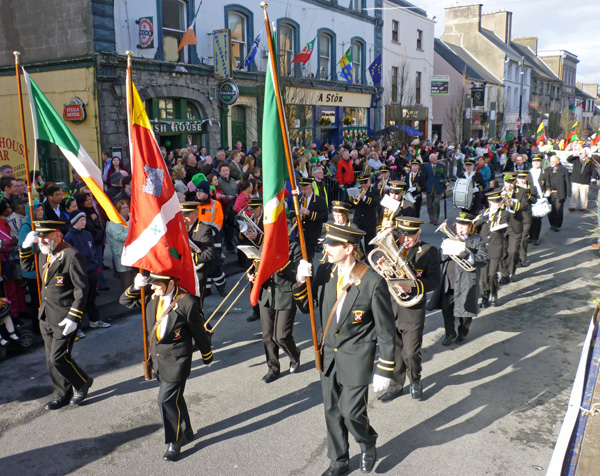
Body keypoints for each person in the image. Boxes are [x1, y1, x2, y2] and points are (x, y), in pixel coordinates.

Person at [294, 223, 396, 476]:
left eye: (332, 244)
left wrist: (385, 368)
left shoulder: (372, 281)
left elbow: (385, 330)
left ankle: (367, 441)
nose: (326, 248)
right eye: (326, 244)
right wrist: (299, 282)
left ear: (349, 248)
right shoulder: (325, 272)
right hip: (328, 356)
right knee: (331, 411)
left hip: (356, 358)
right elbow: (308, 307)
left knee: (351, 412)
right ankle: (338, 462)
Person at [120, 272, 213, 461]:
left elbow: (199, 331)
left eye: (156, 284)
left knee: (165, 400)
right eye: (151, 284)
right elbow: (125, 302)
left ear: (170, 283)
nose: (152, 287)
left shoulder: (187, 302)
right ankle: (187, 431)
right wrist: (136, 288)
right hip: (158, 359)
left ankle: (175, 440)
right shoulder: (150, 296)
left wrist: (206, 353)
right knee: (175, 398)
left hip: (177, 360)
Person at [20, 220, 93, 410]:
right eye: (40, 236)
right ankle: (62, 393)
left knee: (58, 357)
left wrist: (74, 316)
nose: (42, 240)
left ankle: (83, 382)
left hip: (64, 316)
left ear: (58, 234)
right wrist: (25, 247)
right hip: (46, 315)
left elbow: (82, 289)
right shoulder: (45, 254)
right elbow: (28, 268)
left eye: (46, 236)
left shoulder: (71, 255)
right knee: (50, 360)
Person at [377, 217, 441, 403]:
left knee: (411, 352)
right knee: (395, 351)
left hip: (412, 309)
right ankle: (396, 387)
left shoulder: (428, 251)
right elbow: (382, 278)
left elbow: (435, 280)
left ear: (418, 234)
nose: (406, 239)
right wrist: (381, 269)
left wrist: (411, 287)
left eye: (410, 235)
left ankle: (415, 379)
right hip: (391, 307)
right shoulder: (391, 250)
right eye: (403, 234)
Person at [428, 213, 489, 345]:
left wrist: (468, 256)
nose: (460, 229)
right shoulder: (448, 238)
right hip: (449, 280)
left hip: (466, 280)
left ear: (470, 227)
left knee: (465, 311)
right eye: (458, 225)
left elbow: (484, 259)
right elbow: (439, 258)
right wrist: (445, 252)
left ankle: (463, 331)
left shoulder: (477, 240)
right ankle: (449, 333)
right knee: (446, 309)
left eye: (464, 226)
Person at [249, 236, 302, 383]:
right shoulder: (265, 245)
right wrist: (254, 275)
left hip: (285, 294)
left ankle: (294, 355)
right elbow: (258, 266)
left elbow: (296, 274)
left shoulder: (294, 247)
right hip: (267, 294)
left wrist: (279, 258)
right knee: (267, 336)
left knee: (282, 336)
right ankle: (273, 368)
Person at [64, 212, 110, 329]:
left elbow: (93, 250)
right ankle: (76, 326)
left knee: (91, 297)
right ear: (74, 222)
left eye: (84, 220)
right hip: (79, 273)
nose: (84, 222)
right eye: (81, 220)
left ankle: (94, 320)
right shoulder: (69, 237)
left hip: (92, 270)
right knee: (79, 299)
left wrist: (95, 264)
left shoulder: (88, 234)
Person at [474, 191, 510, 307]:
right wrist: (480, 219)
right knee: (484, 276)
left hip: (496, 247)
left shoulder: (504, 213)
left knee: (492, 274)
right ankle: (485, 297)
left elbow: (502, 226)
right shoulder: (483, 212)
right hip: (484, 248)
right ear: (490, 202)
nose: (497, 203)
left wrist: (488, 220)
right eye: (495, 202)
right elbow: (475, 226)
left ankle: (494, 293)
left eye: (499, 201)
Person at [195, 181, 226, 297]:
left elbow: (219, 221)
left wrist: (208, 233)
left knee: (215, 266)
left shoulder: (215, 204)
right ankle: (206, 289)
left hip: (214, 239)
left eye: (201, 191)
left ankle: (221, 286)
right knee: (204, 266)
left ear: (207, 192)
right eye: (197, 192)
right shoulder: (195, 206)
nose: (198, 194)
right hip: (200, 241)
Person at [180, 202, 214, 301]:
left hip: (197, 271)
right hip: (182, 271)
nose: (184, 218)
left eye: (186, 215)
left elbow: (209, 254)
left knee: (195, 302)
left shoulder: (204, 229)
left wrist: (190, 257)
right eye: (182, 215)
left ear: (195, 213)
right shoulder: (180, 228)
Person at [297, 177, 328, 262]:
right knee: (299, 260)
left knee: (308, 260)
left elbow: (324, 217)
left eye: (305, 189)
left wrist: (309, 213)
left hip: (312, 235)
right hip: (299, 235)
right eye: (302, 189)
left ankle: (310, 276)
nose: (303, 192)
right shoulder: (298, 199)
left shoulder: (319, 200)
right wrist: (296, 218)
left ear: (311, 188)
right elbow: (292, 215)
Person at [106, 200, 135, 291]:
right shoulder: (115, 221)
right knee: (126, 277)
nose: (126, 209)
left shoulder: (132, 217)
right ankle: (126, 297)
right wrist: (133, 235)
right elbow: (118, 236)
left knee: (134, 276)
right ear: (118, 210)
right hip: (121, 251)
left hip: (132, 250)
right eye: (123, 208)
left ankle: (134, 295)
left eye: (127, 207)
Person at [352, 174, 381, 254]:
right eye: (361, 183)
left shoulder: (375, 191)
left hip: (369, 222)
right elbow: (352, 204)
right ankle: (361, 256)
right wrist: (352, 197)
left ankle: (368, 261)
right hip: (358, 221)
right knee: (356, 242)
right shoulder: (357, 190)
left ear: (369, 181)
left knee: (369, 246)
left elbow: (376, 202)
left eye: (365, 182)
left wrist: (364, 197)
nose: (363, 185)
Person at [542, 154, 570, 232]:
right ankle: (552, 224)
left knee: (558, 209)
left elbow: (567, 182)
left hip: (559, 193)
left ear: (558, 162)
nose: (552, 162)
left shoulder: (563, 170)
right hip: (549, 193)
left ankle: (557, 225)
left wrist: (568, 193)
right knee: (550, 209)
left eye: (553, 161)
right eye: (551, 161)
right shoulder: (547, 170)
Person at [423, 153, 446, 225]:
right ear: (430, 160)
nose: (436, 159)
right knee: (429, 204)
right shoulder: (426, 166)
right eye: (434, 158)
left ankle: (436, 218)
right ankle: (431, 218)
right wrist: (423, 188)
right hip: (429, 187)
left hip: (438, 187)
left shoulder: (441, 166)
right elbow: (424, 177)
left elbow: (443, 177)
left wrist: (445, 187)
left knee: (436, 203)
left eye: (436, 158)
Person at [528, 155, 545, 246]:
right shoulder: (528, 173)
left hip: (539, 198)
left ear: (541, 162)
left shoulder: (544, 172)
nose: (536, 163)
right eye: (534, 162)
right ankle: (529, 236)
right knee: (529, 218)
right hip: (529, 197)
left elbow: (548, 184)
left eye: (538, 162)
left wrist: (548, 191)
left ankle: (536, 237)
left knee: (537, 219)